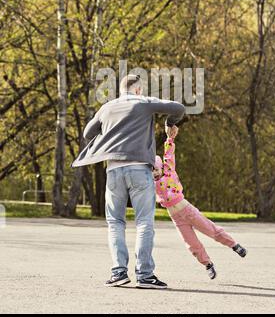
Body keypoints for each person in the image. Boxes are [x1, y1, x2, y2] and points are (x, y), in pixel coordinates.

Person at [72, 74, 185, 289]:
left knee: (115, 222)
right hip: (139, 169)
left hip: (114, 170)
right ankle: (144, 275)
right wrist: (169, 123)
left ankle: (118, 273)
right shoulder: (143, 102)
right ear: (138, 89)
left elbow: (88, 133)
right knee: (144, 221)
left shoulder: (107, 107)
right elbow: (178, 108)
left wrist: (110, 134)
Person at [153, 125, 247, 280]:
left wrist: (170, 138)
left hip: (187, 210)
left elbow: (169, 154)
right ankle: (208, 264)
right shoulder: (150, 183)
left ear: (162, 167)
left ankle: (234, 245)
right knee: (192, 244)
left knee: (211, 230)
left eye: (156, 169)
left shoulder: (169, 170)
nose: (155, 173)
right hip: (176, 218)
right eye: (152, 171)